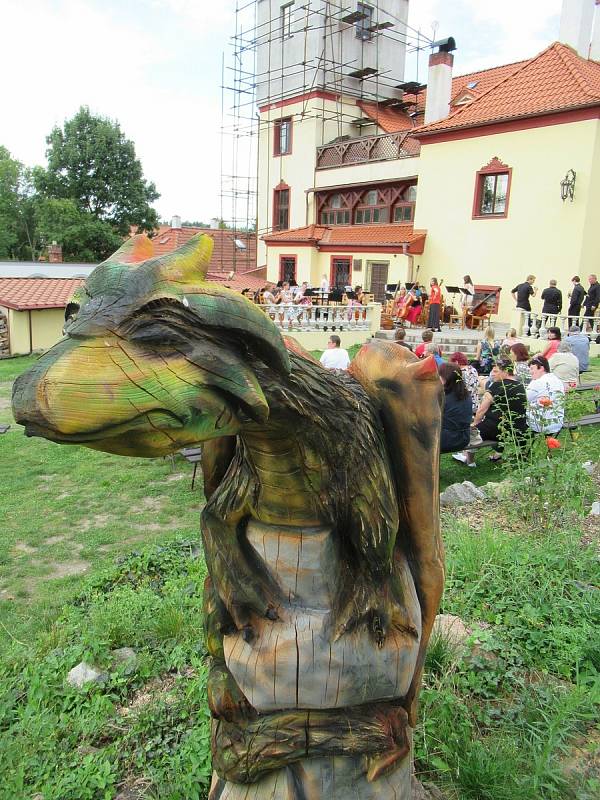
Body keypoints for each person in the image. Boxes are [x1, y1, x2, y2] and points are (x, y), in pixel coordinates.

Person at [453, 357, 528, 465]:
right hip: (518, 428)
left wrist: (475, 423)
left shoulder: (498, 385)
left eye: (496, 371)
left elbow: (482, 410)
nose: (493, 374)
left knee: (473, 432)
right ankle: (499, 454)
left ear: (506, 371)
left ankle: (469, 460)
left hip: (497, 427)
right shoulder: (520, 386)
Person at [526, 355, 565, 434]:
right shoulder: (557, 380)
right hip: (557, 423)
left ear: (541, 368)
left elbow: (524, 400)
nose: (530, 372)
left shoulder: (537, 382)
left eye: (532, 368)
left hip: (540, 424)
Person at [439, 363, 473, 454]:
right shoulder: (466, 395)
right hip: (464, 439)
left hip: (446, 441)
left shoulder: (443, 397)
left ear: (445, 378)